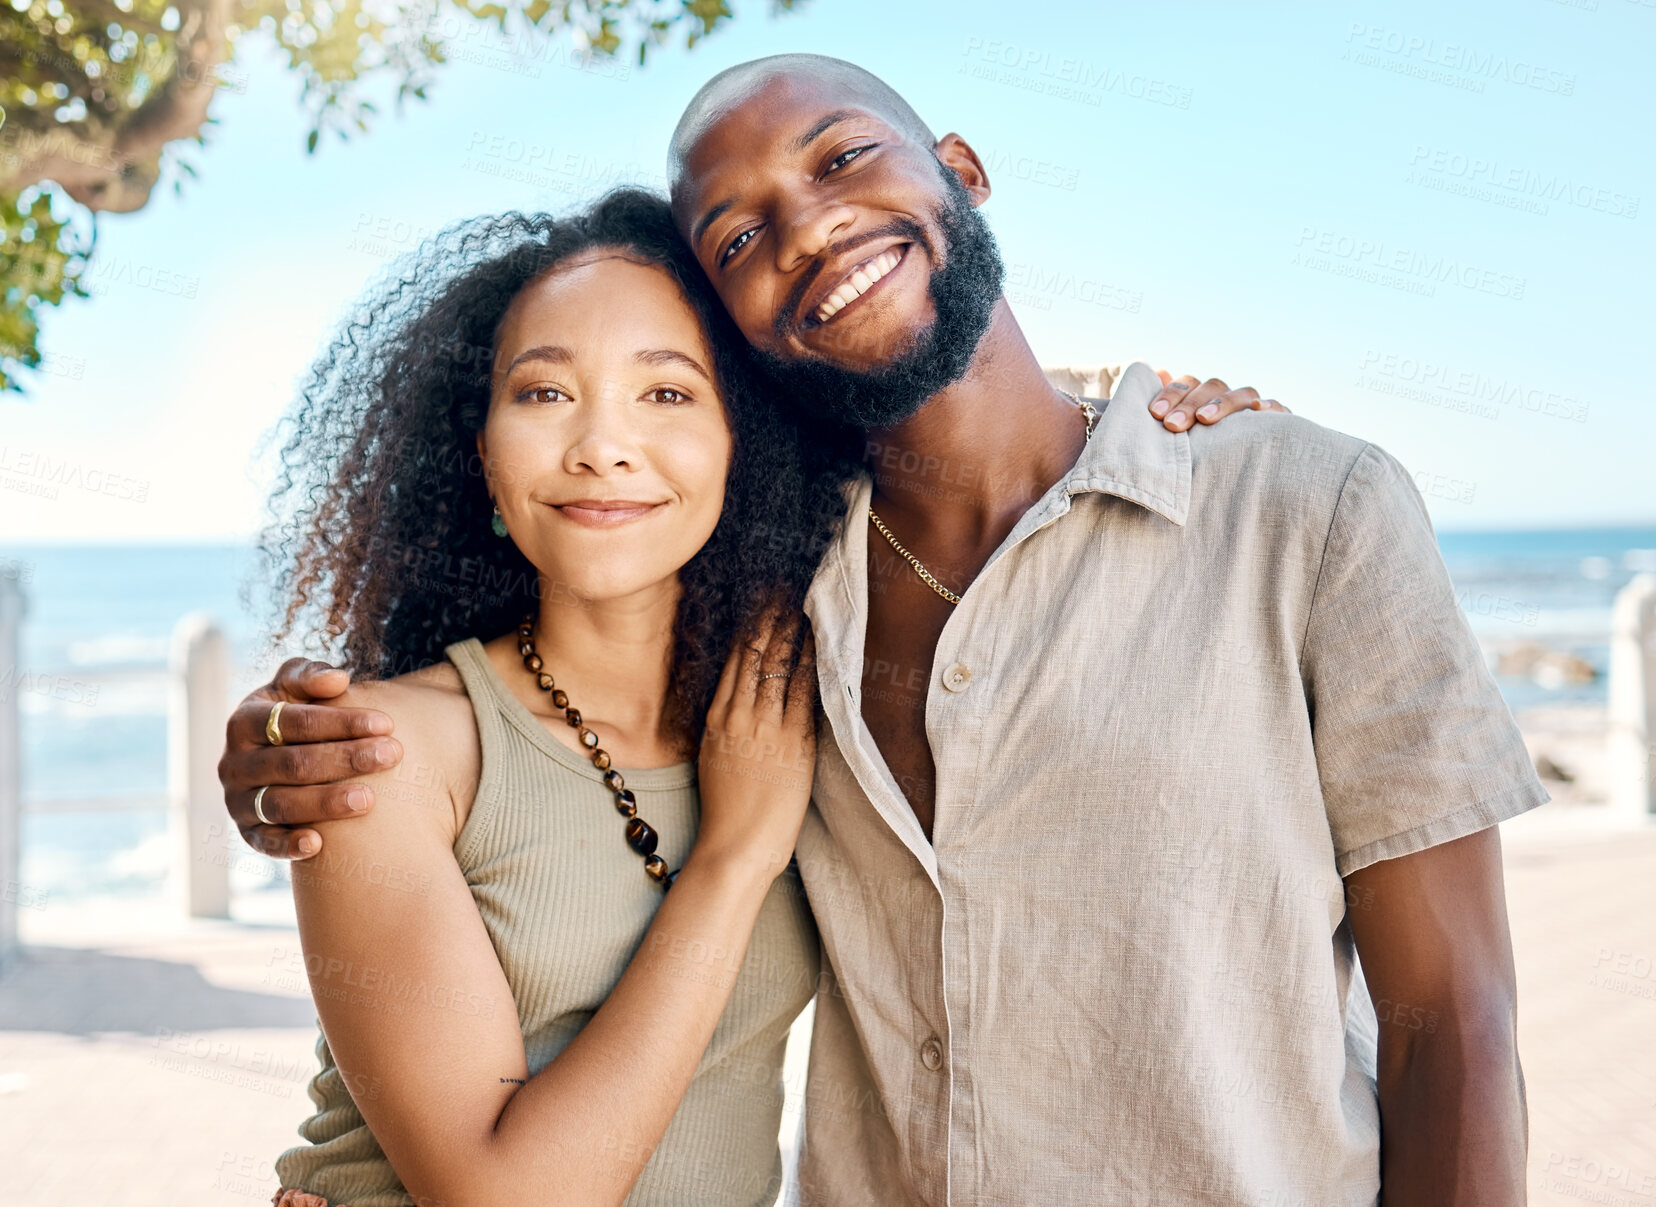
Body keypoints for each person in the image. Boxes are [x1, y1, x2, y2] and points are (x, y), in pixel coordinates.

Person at [221, 54, 1544, 1205]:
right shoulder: (771, 592)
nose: (807, 229)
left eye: (844, 157)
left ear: (960, 170)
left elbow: (1453, 1023)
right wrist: (281, 737)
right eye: (737, 238)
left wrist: (1140, 409)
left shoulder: (1305, 507)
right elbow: (551, 635)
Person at [258, 192, 850, 1207]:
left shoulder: (798, 701)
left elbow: (980, 460)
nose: (601, 446)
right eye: (543, 394)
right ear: (480, 456)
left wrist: (1153, 411)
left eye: (666, 393)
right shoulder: (384, 753)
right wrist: (735, 855)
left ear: (744, 441)